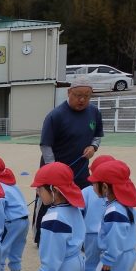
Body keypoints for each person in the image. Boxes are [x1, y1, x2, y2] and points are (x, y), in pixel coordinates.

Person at [33, 76, 104, 244]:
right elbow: (46, 145)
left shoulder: (94, 112)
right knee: (48, 203)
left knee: (80, 202)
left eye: (87, 96)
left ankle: (76, 234)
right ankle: (42, 237)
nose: (82, 99)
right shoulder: (56, 115)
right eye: (78, 95)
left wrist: (93, 147)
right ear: (69, 92)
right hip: (55, 171)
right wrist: (53, 170)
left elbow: (97, 136)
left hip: (81, 170)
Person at [87, 160, 136, 271]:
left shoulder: (115, 211)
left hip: (116, 255)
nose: (93, 186)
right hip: (125, 254)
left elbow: (115, 237)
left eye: (95, 183)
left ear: (106, 187)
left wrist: (109, 258)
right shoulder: (122, 204)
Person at [81, 154, 116, 271]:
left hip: (92, 234)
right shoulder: (118, 193)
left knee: (92, 260)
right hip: (107, 234)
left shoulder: (86, 191)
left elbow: (79, 213)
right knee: (113, 260)